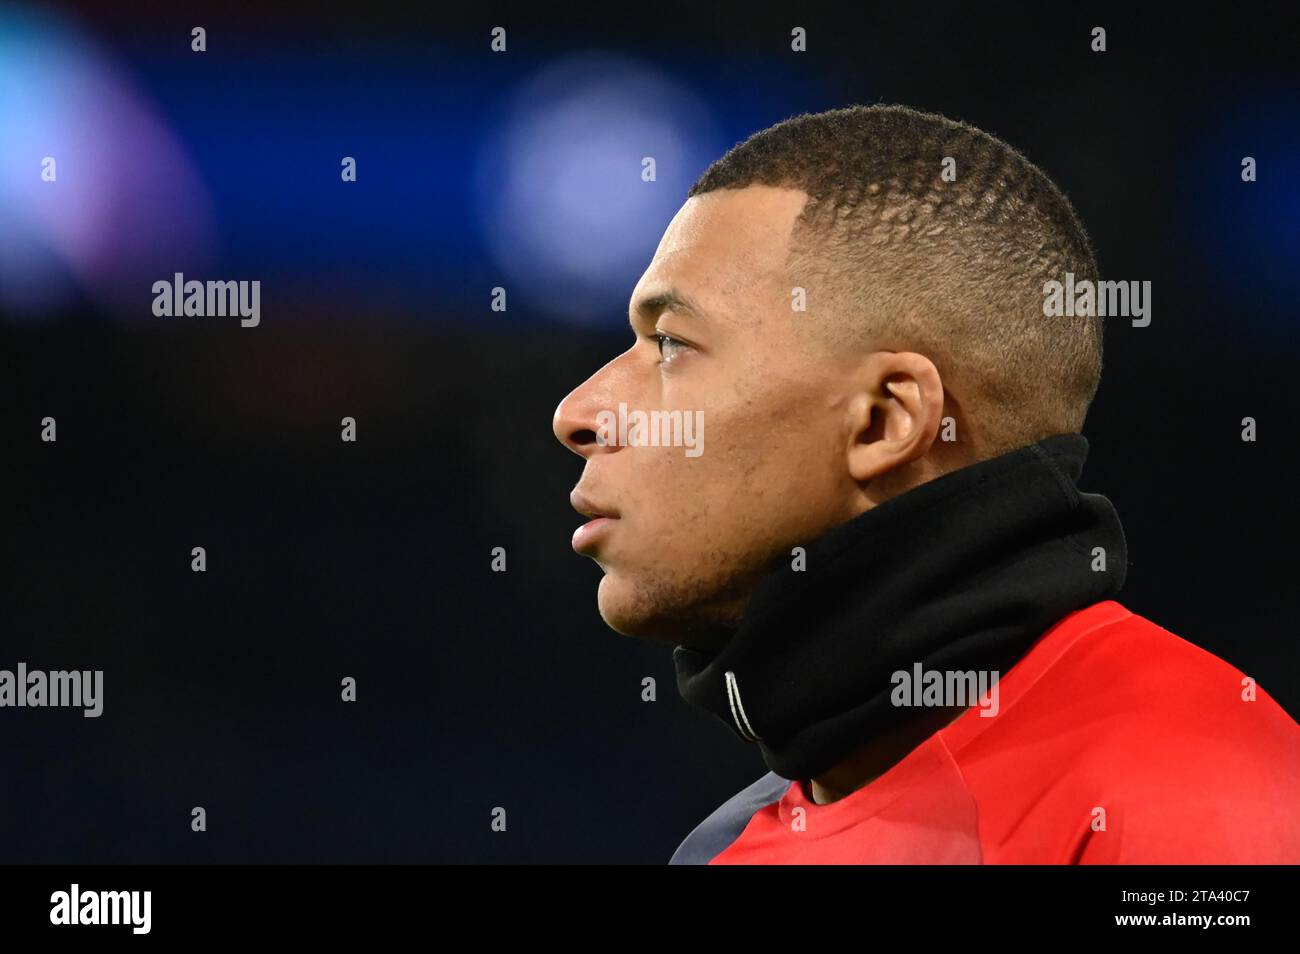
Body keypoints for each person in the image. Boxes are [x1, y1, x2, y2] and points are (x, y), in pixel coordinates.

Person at [551, 104, 1300, 863]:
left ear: (884, 421)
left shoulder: (1193, 799)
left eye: (672, 343)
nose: (576, 413)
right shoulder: (724, 846)